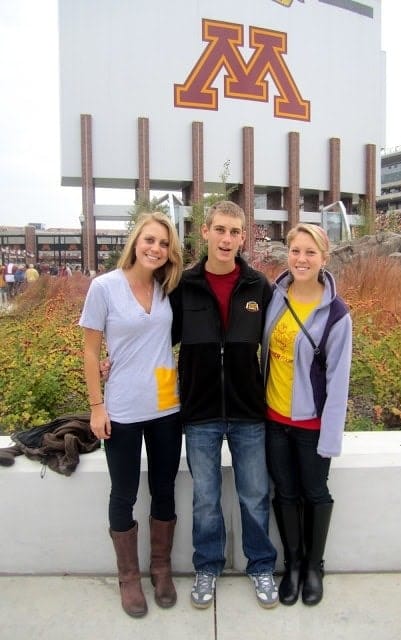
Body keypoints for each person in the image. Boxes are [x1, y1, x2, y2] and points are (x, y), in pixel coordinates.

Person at [170, 200, 279, 610]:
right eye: (220, 230)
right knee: (205, 498)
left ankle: (261, 566)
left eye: (235, 232)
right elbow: (160, 340)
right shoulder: (185, 285)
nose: (227, 239)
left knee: (254, 495)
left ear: (243, 237)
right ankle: (208, 566)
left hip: (249, 412)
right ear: (206, 233)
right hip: (199, 414)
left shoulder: (258, 287)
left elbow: (279, 342)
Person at [79, 211, 183, 618]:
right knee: (122, 493)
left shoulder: (166, 288)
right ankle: (128, 577)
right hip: (120, 406)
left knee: (164, 488)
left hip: (165, 403)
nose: (155, 248)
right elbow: (90, 351)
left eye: (163, 243)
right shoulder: (104, 287)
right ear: (135, 242)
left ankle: (160, 568)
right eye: (149, 240)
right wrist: (96, 406)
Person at [261, 222, 352, 607]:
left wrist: (330, 437)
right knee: (284, 493)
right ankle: (293, 564)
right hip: (273, 420)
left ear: (323, 258)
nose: (301, 259)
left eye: (310, 252)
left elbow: (338, 381)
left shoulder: (336, 314)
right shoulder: (274, 297)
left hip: (311, 424)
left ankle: (315, 566)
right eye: (296, 251)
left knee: (315, 493)